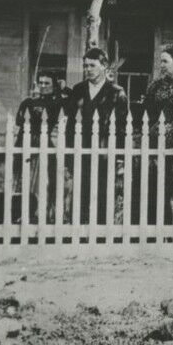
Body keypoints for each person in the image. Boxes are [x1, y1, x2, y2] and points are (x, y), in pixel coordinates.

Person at [64, 47, 130, 223]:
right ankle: (77, 237)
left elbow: (122, 129)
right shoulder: (77, 90)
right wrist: (68, 155)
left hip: (104, 155)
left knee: (103, 197)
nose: (88, 70)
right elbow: (70, 125)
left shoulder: (117, 92)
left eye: (92, 65)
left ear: (104, 66)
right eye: (85, 66)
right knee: (79, 197)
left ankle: (101, 238)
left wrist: (120, 158)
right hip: (80, 153)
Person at [15, 72, 64, 143]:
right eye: (40, 83)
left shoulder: (57, 103)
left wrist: (59, 91)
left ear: (54, 85)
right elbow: (18, 122)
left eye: (47, 83)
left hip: (44, 142)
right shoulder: (28, 102)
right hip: (24, 140)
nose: (43, 86)